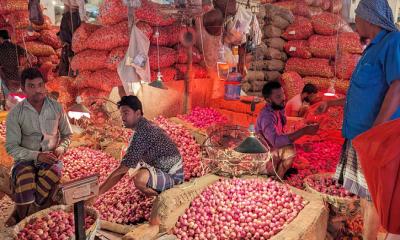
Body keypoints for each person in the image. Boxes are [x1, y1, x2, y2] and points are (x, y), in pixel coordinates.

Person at [317, 0, 400, 239]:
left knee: (373, 193)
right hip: (360, 135)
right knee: (366, 192)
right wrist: (331, 103)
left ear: (369, 19)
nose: (355, 22)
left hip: (374, 136)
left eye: (357, 16)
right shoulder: (371, 48)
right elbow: (364, 92)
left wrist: (376, 131)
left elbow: (397, 86)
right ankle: (367, 234)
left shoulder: (392, 42)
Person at [5, 68, 73, 223]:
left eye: (40, 85)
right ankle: (26, 218)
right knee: (25, 177)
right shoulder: (16, 113)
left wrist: (61, 147)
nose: (37, 90)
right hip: (25, 159)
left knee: (52, 174)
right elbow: (11, 147)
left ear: (44, 85)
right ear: (23, 88)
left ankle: (26, 213)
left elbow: (67, 135)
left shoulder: (56, 108)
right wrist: (36, 155)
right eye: (31, 86)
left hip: (50, 159)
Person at [94, 96, 184, 199]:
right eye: (121, 114)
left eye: (126, 113)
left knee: (140, 178)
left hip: (174, 175)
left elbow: (123, 168)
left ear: (137, 113)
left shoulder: (143, 132)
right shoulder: (143, 127)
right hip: (162, 169)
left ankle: (159, 198)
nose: (122, 117)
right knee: (135, 168)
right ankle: (155, 189)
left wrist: (98, 193)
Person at [256, 81, 320, 179]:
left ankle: (276, 170)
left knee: (292, 146)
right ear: (268, 100)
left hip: (271, 151)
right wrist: (304, 131)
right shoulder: (267, 116)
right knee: (290, 149)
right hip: (262, 158)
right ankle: (277, 177)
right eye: (278, 97)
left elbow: (282, 133)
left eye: (283, 94)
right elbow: (276, 141)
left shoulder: (278, 109)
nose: (283, 98)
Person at [58, 0, 86, 76]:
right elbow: (81, 5)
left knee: (71, 45)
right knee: (70, 45)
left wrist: (82, 21)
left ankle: (73, 70)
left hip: (70, 17)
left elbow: (80, 5)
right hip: (70, 17)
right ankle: (72, 70)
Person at [0, 30, 26, 108]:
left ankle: (8, 108)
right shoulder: (15, 46)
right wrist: (22, 66)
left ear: (1, 38)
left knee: (8, 98)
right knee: (17, 95)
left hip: (6, 77)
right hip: (17, 76)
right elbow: (29, 55)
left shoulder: (0, 48)